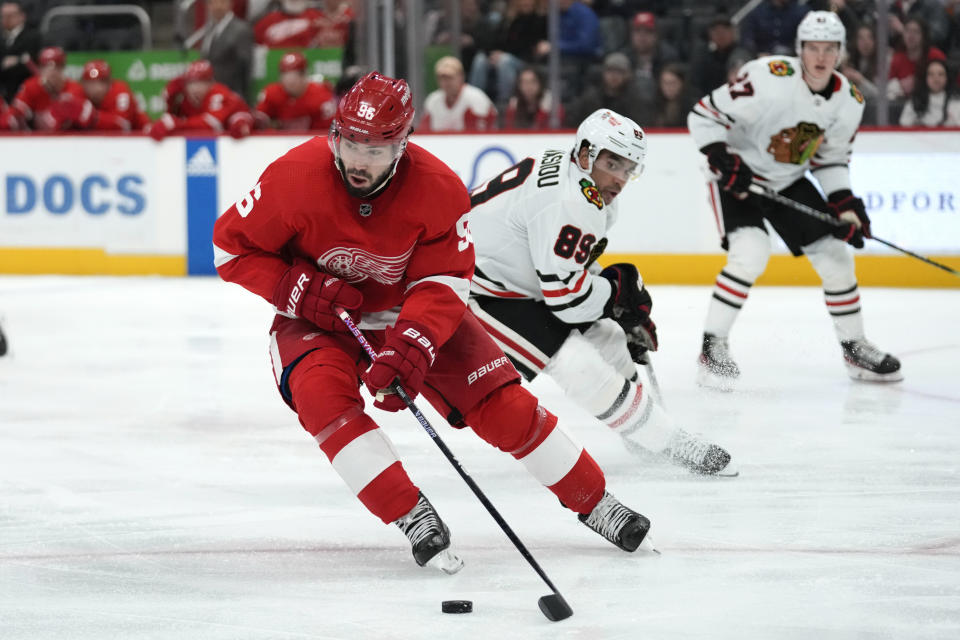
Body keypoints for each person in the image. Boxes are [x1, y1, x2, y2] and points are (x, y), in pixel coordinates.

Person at [211, 71, 655, 570]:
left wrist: (414, 342)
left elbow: (444, 282)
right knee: (320, 399)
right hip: (318, 318)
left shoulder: (438, 189)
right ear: (336, 134)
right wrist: (290, 287)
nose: (359, 161)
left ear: (403, 145)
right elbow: (229, 249)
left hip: (411, 311)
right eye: (351, 144)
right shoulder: (292, 176)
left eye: (376, 150)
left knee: (503, 405)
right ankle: (409, 514)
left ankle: (596, 502)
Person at [467, 108, 736, 476]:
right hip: (471, 289)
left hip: (508, 281)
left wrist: (617, 311)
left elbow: (563, 270)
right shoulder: (574, 200)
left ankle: (645, 431)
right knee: (575, 361)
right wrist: (615, 295)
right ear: (585, 154)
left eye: (629, 168)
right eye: (613, 163)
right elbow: (568, 302)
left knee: (611, 338)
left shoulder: (576, 181)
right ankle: (666, 439)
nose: (621, 178)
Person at [688, 11, 902, 386]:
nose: (820, 57)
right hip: (738, 177)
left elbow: (830, 159)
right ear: (800, 50)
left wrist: (845, 203)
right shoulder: (769, 77)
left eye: (829, 49)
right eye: (813, 48)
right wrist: (724, 156)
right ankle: (712, 347)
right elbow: (702, 115)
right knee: (750, 251)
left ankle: (854, 349)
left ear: (841, 53)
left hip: (787, 178)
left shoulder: (850, 101)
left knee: (836, 256)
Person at [148, 60, 254, 140]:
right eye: (191, 83)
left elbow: (210, 124)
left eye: (200, 82)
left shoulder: (218, 93)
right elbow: (170, 116)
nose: (195, 88)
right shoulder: (185, 98)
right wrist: (170, 98)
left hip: (237, 144)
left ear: (210, 83)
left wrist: (176, 124)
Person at [3, 46, 93, 131]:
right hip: (37, 141)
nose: (51, 71)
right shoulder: (31, 86)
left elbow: (71, 124)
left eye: (57, 66)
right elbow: (13, 116)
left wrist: (59, 100)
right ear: (40, 69)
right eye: (45, 66)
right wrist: (20, 114)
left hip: (68, 141)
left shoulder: (75, 89)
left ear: (63, 68)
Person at [564, 52, 653, 127]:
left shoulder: (635, 101)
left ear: (628, 75)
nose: (614, 76)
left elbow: (641, 126)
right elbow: (573, 122)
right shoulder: (590, 98)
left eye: (619, 72)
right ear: (603, 73)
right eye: (610, 70)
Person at [254, 51, 337, 131]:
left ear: (305, 75)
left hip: (311, 140)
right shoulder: (271, 93)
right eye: (285, 75)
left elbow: (327, 131)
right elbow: (258, 124)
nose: (289, 81)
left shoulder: (321, 94)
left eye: (295, 76)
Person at [420, 56, 497, 131]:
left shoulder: (476, 98)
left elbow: (483, 134)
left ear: (461, 76)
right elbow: (424, 131)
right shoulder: (432, 100)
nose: (446, 82)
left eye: (450, 77)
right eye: (442, 78)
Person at [200, 0, 254, 100]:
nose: (217, 6)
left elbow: (245, 67)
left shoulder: (241, 29)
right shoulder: (209, 29)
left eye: (222, 2)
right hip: (212, 93)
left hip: (232, 95)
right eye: (213, 3)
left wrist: (239, 96)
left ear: (230, 4)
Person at [80, 59, 150, 131]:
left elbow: (123, 125)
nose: (97, 88)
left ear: (110, 82)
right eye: (91, 83)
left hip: (140, 135)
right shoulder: (79, 93)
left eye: (102, 82)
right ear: (83, 83)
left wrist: (91, 116)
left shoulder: (120, 91)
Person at [689, 15, 751, 96]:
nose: (721, 35)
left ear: (733, 32)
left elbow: (739, 62)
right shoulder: (704, 55)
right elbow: (696, 83)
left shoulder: (741, 51)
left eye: (725, 30)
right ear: (710, 34)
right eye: (716, 31)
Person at [887, 17, 946, 99]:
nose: (911, 36)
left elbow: (949, 82)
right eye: (907, 31)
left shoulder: (935, 55)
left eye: (916, 32)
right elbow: (889, 88)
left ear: (923, 36)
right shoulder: (897, 58)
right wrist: (900, 86)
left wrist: (919, 83)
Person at [899, 58, 960, 126]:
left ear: (947, 77)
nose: (936, 78)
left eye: (940, 74)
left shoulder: (956, 101)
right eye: (931, 74)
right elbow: (904, 125)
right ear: (925, 78)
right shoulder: (914, 101)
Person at [1, 0, 41, 103]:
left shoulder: (34, 37)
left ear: (22, 16)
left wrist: (17, 61)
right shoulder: (1, 39)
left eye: (10, 15)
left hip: (26, 93)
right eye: (3, 16)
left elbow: (34, 65)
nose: (6, 19)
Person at [739, 0, 810, 56]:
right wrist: (757, 53)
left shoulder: (801, 11)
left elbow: (807, 37)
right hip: (762, 56)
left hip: (793, 56)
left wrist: (794, 52)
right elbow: (747, 37)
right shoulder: (758, 11)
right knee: (741, 55)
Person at [502, 65, 560, 129]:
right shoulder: (513, 106)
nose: (529, 86)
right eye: (524, 82)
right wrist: (512, 109)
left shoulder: (551, 105)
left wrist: (544, 110)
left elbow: (554, 131)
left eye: (533, 81)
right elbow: (509, 131)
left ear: (540, 83)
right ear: (519, 85)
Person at [651, 63, 697, 127]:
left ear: (682, 83)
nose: (668, 87)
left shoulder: (693, 107)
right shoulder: (654, 104)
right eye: (664, 83)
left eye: (672, 83)